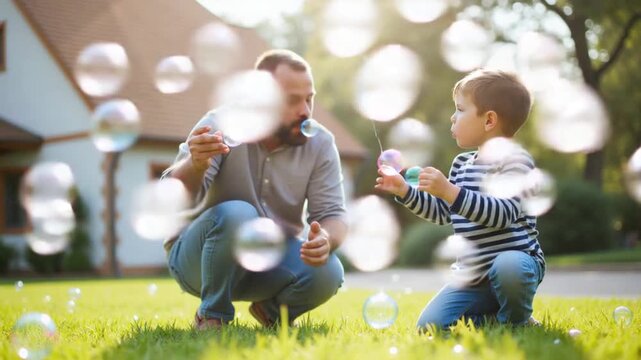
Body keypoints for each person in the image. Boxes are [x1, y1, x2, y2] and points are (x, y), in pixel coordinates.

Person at [163, 49, 347, 330]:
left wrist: (325, 238)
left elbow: (333, 214)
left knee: (329, 271)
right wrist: (196, 164)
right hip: (198, 260)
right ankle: (212, 316)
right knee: (238, 213)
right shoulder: (219, 125)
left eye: (309, 98)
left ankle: (269, 311)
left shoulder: (321, 142)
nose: (305, 111)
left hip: (269, 257)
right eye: (292, 100)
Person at [375, 69, 545, 331]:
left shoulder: (516, 161)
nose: (453, 117)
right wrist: (405, 192)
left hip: (515, 267)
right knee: (429, 325)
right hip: (472, 277)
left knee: (510, 265)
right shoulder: (462, 164)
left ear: (489, 120)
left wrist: (449, 191)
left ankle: (517, 320)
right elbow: (444, 212)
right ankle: (491, 315)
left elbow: (502, 214)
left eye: (460, 109)